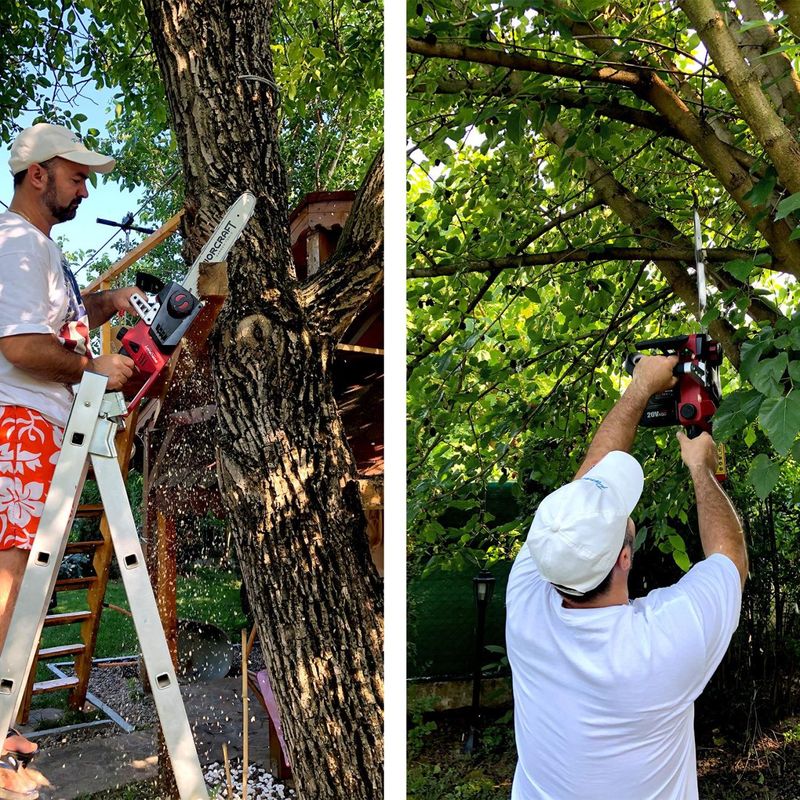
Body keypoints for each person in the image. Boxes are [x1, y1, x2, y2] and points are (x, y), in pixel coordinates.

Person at [505, 355, 747, 800]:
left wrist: (640, 388)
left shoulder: (528, 597)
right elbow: (730, 559)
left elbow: (583, 494)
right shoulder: (659, 645)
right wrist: (701, 468)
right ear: (624, 558)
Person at [0, 123, 142, 799]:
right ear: (37, 176)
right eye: (76, 175)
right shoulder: (18, 245)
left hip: (42, 425)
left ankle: (6, 730)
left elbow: (49, 319)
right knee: (8, 578)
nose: (84, 187)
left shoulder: (42, 253)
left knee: (26, 583)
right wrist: (95, 368)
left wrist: (102, 303)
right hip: (20, 424)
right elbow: (24, 348)